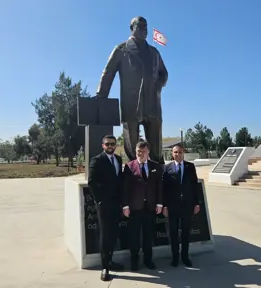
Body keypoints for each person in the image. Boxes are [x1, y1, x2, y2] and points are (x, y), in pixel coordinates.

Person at [95, 16, 168, 164]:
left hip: (153, 102)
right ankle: (133, 170)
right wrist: (101, 96)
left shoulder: (154, 52)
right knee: (131, 141)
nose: (144, 30)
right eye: (140, 27)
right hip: (131, 103)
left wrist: (158, 85)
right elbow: (108, 73)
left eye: (145, 27)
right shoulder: (122, 49)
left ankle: (157, 172)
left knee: (155, 143)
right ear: (131, 29)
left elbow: (164, 73)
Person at [87, 135, 124, 281]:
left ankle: (111, 260)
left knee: (114, 233)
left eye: (112, 144)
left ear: (115, 145)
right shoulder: (97, 160)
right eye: (107, 144)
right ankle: (105, 267)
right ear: (103, 145)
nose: (110, 146)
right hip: (104, 205)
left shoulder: (118, 159)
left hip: (116, 204)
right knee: (105, 235)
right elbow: (91, 182)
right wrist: (100, 200)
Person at [122, 140, 163, 271]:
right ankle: (134, 261)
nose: (141, 154)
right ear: (136, 152)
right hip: (134, 208)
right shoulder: (129, 166)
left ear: (148, 152)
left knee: (148, 235)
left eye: (143, 151)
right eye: (139, 151)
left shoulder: (155, 166)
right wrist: (125, 206)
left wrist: (160, 203)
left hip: (150, 207)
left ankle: (148, 260)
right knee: (134, 236)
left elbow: (159, 187)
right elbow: (125, 188)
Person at [162, 144, 201, 267]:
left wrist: (197, 203)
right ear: (172, 154)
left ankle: (185, 257)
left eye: (180, 152)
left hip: (187, 206)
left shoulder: (190, 167)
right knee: (173, 233)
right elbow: (165, 189)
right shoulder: (167, 168)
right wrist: (165, 206)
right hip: (173, 207)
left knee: (185, 233)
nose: (178, 154)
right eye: (175, 152)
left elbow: (195, 186)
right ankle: (175, 257)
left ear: (183, 153)